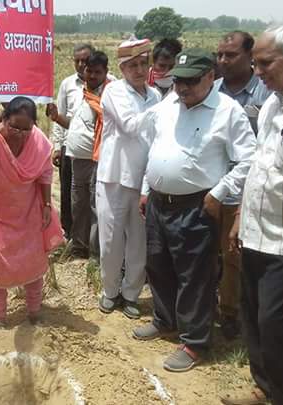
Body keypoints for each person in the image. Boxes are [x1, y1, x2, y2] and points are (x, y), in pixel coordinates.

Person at [107, 48, 256, 372]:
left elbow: (248, 160)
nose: (183, 88)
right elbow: (154, 148)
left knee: (194, 277)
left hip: (197, 206)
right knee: (159, 265)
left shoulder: (227, 111)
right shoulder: (168, 106)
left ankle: (195, 341)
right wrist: (147, 189)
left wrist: (220, 192)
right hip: (159, 203)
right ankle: (165, 319)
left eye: (190, 82)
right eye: (178, 81)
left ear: (209, 77)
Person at [222, 26, 283, 405]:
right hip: (256, 232)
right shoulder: (274, 103)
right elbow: (261, 168)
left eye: (265, 62)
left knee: (276, 326)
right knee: (254, 320)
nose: (257, 71)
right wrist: (239, 219)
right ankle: (264, 388)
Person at [0, 97, 64, 327]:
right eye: (14, 126)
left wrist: (47, 205)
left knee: (33, 262)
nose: (19, 133)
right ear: (4, 120)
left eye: (26, 129)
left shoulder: (37, 140)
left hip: (28, 211)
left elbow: (45, 173)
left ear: (34, 126)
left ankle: (35, 311)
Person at [95, 39, 161, 319]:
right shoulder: (114, 91)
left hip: (144, 178)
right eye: (132, 65)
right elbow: (130, 125)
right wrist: (167, 106)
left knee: (138, 241)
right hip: (114, 176)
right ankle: (110, 291)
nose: (138, 69)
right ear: (121, 68)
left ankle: (131, 294)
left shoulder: (155, 96)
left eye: (142, 63)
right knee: (111, 241)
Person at [213, 30, 271, 340]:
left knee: (235, 255)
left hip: (249, 190)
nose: (223, 60)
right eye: (220, 54)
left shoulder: (266, 92)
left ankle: (232, 314)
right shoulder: (212, 91)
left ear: (250, 56)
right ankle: (212, 307)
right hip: (213, 187)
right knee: (209, 253)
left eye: (230, 55)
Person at [48, 51, 111, 259]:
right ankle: (79, 247)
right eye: (89, 71)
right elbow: (74, 125)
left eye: (97, 72)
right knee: (78, 205)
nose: (92, 75)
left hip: (97, 160)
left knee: (95, 207)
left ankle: (94, 253)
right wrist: (57, 118)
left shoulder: (110, 94)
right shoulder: (82, 93)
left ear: (106, 72)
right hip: (76, 159)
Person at [47, 44, 94, 241]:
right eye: (78, 61)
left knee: (91, 194)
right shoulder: (67, 84)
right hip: (69, 146)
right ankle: (70, 234)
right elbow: (60, 116)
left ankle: (91, 237)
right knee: (69, 193)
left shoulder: (109, 83)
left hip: (94, 147)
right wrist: (57, 146)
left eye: (86, 60)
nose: (82, 64)